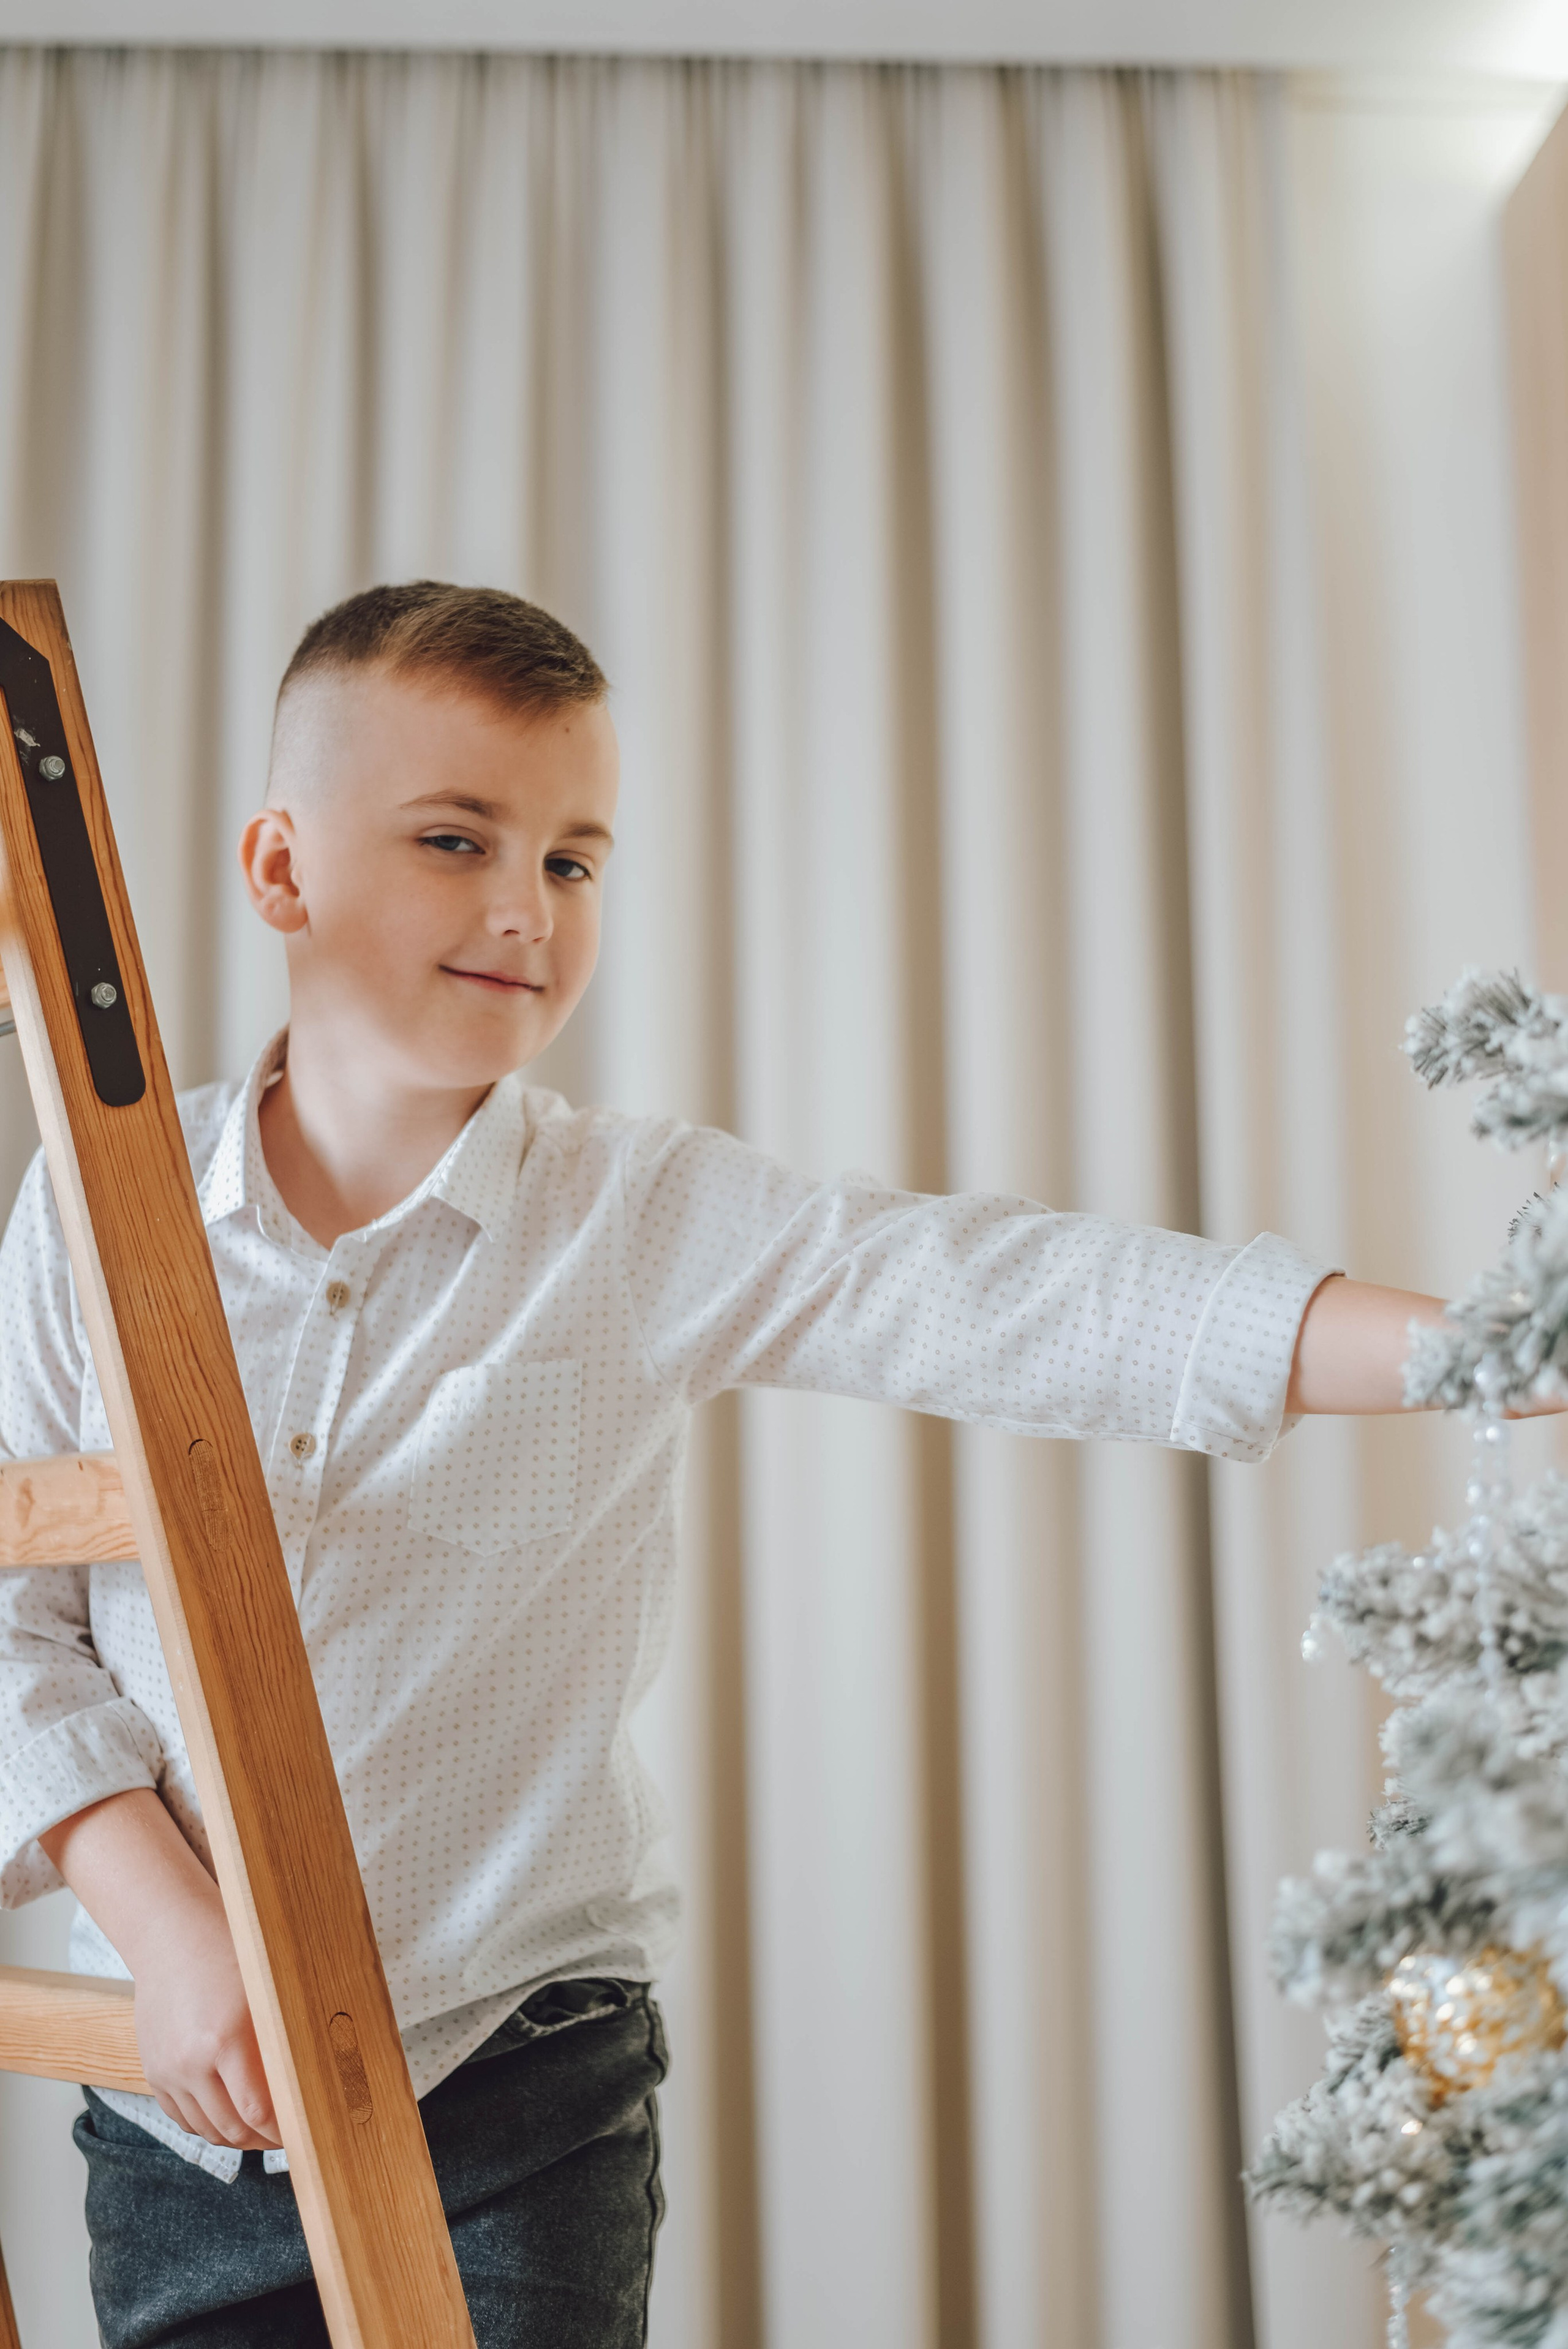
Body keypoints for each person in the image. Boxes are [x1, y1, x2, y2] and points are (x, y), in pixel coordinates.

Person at [0, 584, 1493, 2346]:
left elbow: (1012, 1295)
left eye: (572, 861)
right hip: (183, 2108)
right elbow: (23, 1622)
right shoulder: (95, 1208)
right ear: (280, 868)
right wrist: (161, 1914)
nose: (522, 908)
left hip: (509, 2088)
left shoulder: (637, 1218)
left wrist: (1487, 1348)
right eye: (456, 837)